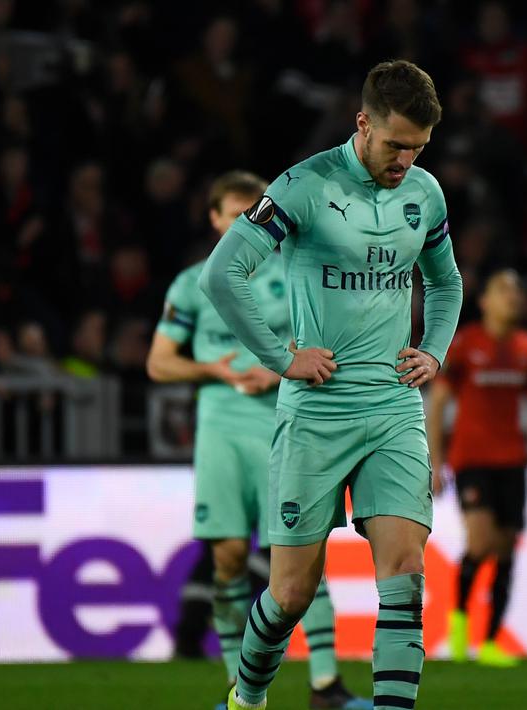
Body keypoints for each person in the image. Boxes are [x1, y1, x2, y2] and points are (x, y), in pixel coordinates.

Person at [199, 60, 463, 710]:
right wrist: (280, 356)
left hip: (394, 407)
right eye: (395, 144)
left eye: (418, 148)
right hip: (316, 413)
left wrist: (433, 350)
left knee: (403, 573)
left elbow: (447, 280)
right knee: (289, 593)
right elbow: (222, 273)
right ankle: (247, 697)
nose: (405, 160)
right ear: (363, 123)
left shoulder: (424, 194)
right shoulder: (304, 186)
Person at [148, 171, 371, 709]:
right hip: (220, 432)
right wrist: (214, 370)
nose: (244, 221)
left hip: (285, 425)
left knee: (300, 556)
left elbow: (329, 340)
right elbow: (158, 363)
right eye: (233, 211)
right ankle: (239, 685)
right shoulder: (192, 283)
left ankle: (325, 684)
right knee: (227, 558)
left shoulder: (295, 274)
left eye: (254, 211)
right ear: (215, 218)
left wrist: (281, 369)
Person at [426, 268, 527, 667]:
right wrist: (436, 458)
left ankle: (492, 641)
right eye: (503, 292)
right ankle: (460, 622)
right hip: (472, 458)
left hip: (512, 460)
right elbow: (440, 401)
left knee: (506, 550)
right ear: (485, 302)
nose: (512, 299)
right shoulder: (466, 346)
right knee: (480, 543)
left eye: (516, 293)